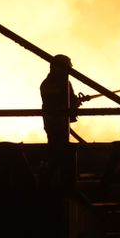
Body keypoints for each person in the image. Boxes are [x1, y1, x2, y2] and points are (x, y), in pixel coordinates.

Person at [40, 54, 81, 183]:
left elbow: (68, 99)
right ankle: (52, 183)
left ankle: (53, 181)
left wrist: (75, 101)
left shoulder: (58, 82)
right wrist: (75, 102)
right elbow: (58, 102)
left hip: (58, 122)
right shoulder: (52, 83)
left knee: (58, 151)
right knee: (57, 152)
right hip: (55, 123)